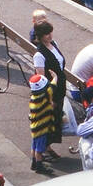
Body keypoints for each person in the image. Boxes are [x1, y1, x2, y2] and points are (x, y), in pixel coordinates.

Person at [31, 20, 67, 159]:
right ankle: (42, 151)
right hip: (51, 92)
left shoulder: (54, 45)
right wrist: (48, 98)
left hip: (60, 87)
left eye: (50, 32)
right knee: (48, 121)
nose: (49, 35)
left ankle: (47, 146)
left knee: (55, 119)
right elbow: (41, 78)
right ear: (40, 35)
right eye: (46, 33)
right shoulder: (39, 55)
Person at [28, 74, 59, 175]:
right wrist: (55, 77)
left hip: (34, 127)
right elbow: (53, 87)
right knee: (39, 150)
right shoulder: (45, 95)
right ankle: (39, 166)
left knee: (34, 146)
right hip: (42, 128)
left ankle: (33, 163)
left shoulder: (33, 97)